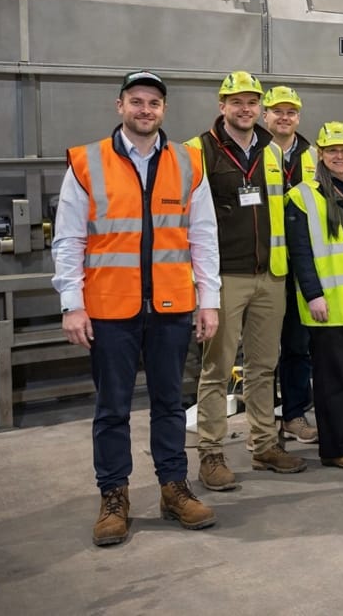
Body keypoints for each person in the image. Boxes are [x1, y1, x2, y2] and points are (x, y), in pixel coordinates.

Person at [54, 70, 220, 546]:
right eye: (137, 101)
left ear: (163, 110)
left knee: (170, 404)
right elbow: (69, 240)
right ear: (119, 106)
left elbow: (202, 236)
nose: (145, 110)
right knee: (112, 409)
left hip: (171, 306)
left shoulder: (189, 163)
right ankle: (114, 496)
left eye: (154, 103)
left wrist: (208, 300)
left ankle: (174, 488)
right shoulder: (87, 162)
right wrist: (72, 304)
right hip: (108, 308)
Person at [189, 71, 307, 490]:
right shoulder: (197, 150)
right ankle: (211, 453)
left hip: (270, 275)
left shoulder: (273, 151)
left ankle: (264, 445)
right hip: (223, 277)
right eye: (236, 101)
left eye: (252, 102)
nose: (245, 109)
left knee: (263, 367)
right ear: (221, 105)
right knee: (216, 369)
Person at [286, 122, 343, 469]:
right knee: (330, 376)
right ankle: (335, 449)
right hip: (327, 299)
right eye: (332, 150)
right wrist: (313, 295)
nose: (339, 156)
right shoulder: (302, 195)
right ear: (320, 155)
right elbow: (301, 252)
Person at [262, 85, 319, 446]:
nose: (284, 118)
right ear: (265, 115)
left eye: (291, 112)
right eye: (277, 111)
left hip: (302, 268)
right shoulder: (251, 153)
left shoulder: (313, 155)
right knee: (263, 351)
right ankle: (264, 418)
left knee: (298, 347)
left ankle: (295, 415)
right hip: (264, 267)